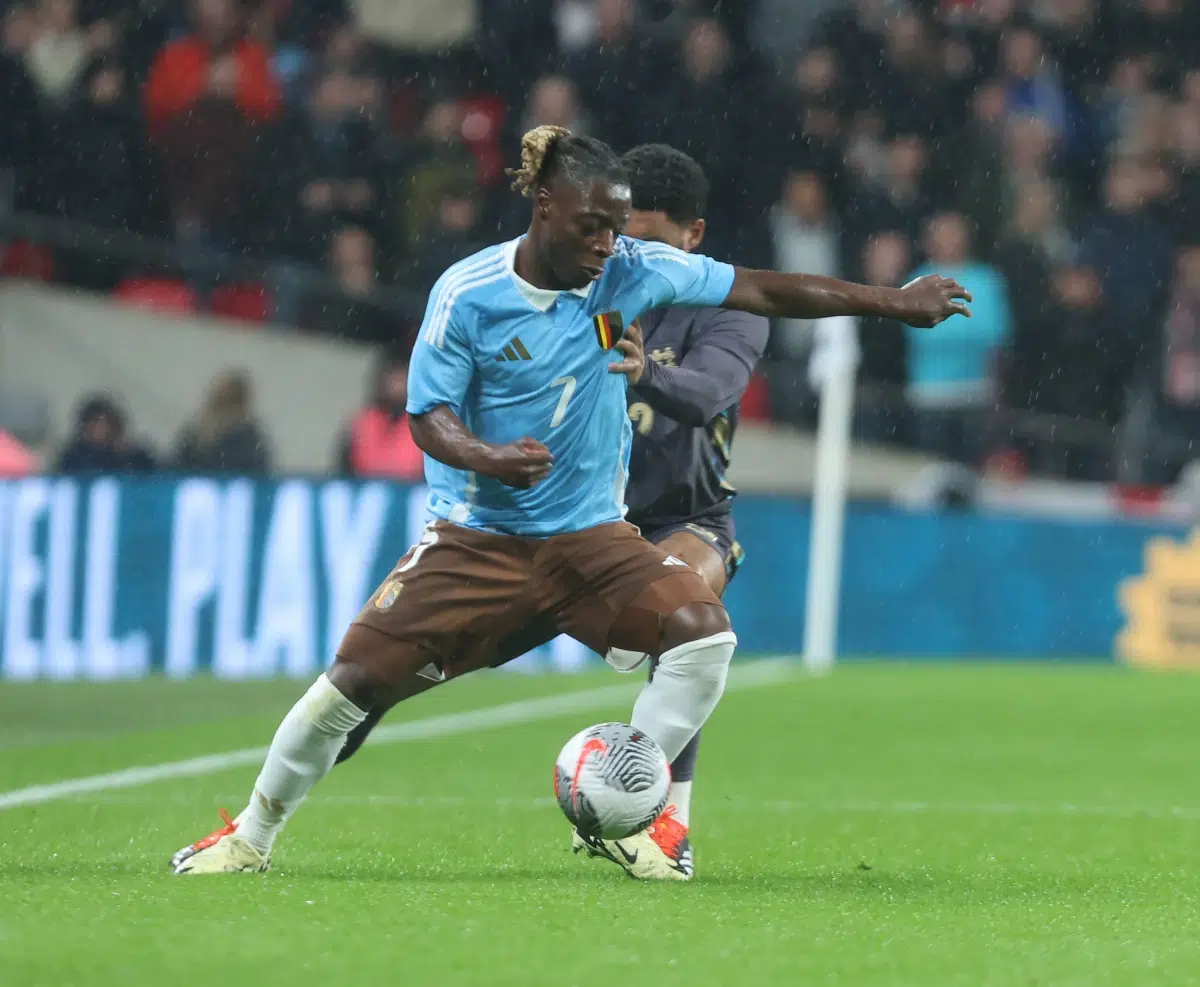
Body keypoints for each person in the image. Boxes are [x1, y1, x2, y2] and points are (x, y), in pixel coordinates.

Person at [169, 125, 970, 882]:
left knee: (702, 636)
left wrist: (892, 302)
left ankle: (630, 807)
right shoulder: (469, 295)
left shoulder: (629, 270)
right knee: (344, 693)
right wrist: (486, 455)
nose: (607, 244)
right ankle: (250, 835)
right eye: (592, 225)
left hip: (593, 539)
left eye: (617, 227)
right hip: (478, 540)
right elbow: (426, 415)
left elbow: (764, 288)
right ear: (543, 206)